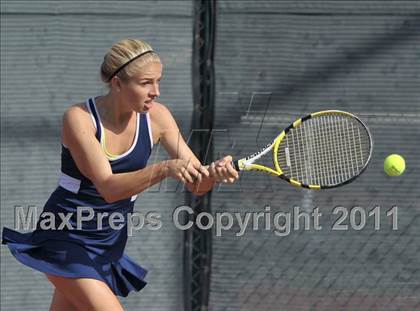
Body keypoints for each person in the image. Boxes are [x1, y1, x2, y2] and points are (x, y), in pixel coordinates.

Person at [2, 38, 239, 311]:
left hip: (108, 243)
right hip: (64, 236)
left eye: (158, 81)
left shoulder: (159, 118)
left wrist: (214, 173)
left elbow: (198, 185)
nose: (156, 91)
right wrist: (164, 168)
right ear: (117, 83)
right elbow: (108, 187)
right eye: (145, 83)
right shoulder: (79, 118)